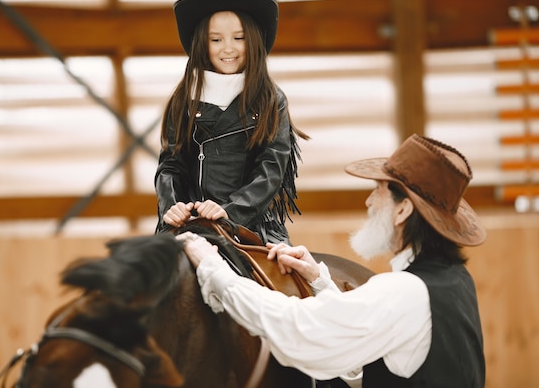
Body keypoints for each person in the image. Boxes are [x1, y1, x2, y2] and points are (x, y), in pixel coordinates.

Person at [180, 134, 487, 388]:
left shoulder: (405, 292)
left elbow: (298, 328)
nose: (369, 202)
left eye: (378, 191)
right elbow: (362, 342)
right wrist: (318, 281)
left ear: (403, 210)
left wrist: (213, 269)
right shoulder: (457, 280)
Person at [154, 0, 309, 243]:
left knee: (301, 279)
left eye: (239, 38)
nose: (228, 48)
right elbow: (171, 164)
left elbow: (271, 168)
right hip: (190, 220)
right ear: (202, 44)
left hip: (250, 223)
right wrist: (172, 206)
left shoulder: (271, 99)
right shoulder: (184, 99)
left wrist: (229, 211)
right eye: (216, 39)